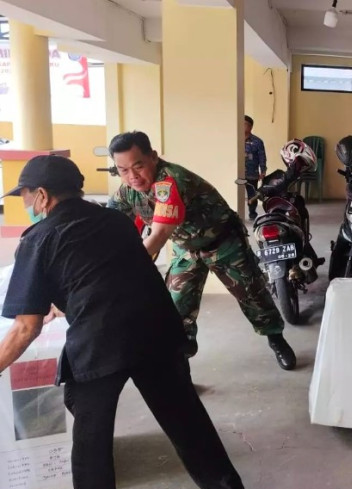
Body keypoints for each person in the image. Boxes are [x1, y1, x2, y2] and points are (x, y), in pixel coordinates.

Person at [0, 155, 246, 489]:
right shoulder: (114, 220)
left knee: (91, 438)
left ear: (42, 195)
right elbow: (109, 270)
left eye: (24, 196)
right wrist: (69, 298)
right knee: (185, 417)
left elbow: (26, 327)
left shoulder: (37, 239)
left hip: (101, 341)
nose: (25, 204)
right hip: (158, 328)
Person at [106, 131, 296, 370]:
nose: (132, 176)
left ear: (153, 157)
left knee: (252, 294)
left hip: (223, 242)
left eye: (138, 166)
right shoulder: (129, 190)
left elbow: (159, 235)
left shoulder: (169, 181)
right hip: (187, 248)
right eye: (123, 170)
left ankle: (276, 338)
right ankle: (181, 356)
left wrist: (122, 269)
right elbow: (109, 222)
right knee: (176, 304)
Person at [243, 115, 267, 220]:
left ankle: (252, 214)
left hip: (251, 173)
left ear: (250, 127)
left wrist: (263, 170)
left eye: (245, 124)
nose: (242, 126)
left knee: (252, 195)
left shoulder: (257, 141)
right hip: (237, 173)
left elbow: (262, 157)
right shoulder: (235, 139)